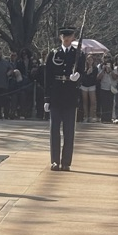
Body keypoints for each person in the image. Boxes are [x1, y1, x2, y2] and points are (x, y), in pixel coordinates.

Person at [44, 26, 85, 170]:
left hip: (70, 95)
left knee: (69, 132)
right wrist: (47, 98)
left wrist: (78, 77)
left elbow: (82, 73)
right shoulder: (53, 53)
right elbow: (48, 77)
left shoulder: (78, 54)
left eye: (69, 35)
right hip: (56, 95)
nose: (67, 38)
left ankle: (66, 162)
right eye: (64, 36)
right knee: (54, 131)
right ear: (61, 37)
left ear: (73, 37)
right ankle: (55, 161)